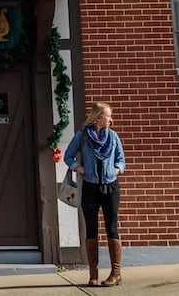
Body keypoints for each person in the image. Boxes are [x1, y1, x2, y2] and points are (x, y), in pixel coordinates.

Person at [63, 101, 126, 286]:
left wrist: (116, 169)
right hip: (90, 188)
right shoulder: (82, 137)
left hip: (110, 187)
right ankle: (93, 274)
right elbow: (68, 156)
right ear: (99, 118)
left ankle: (116, 273)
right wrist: (78, 167)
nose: (111, 120)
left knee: (111, 228)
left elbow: (121, 159)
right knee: (91, 229)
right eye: (108, 116)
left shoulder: (113, 137)